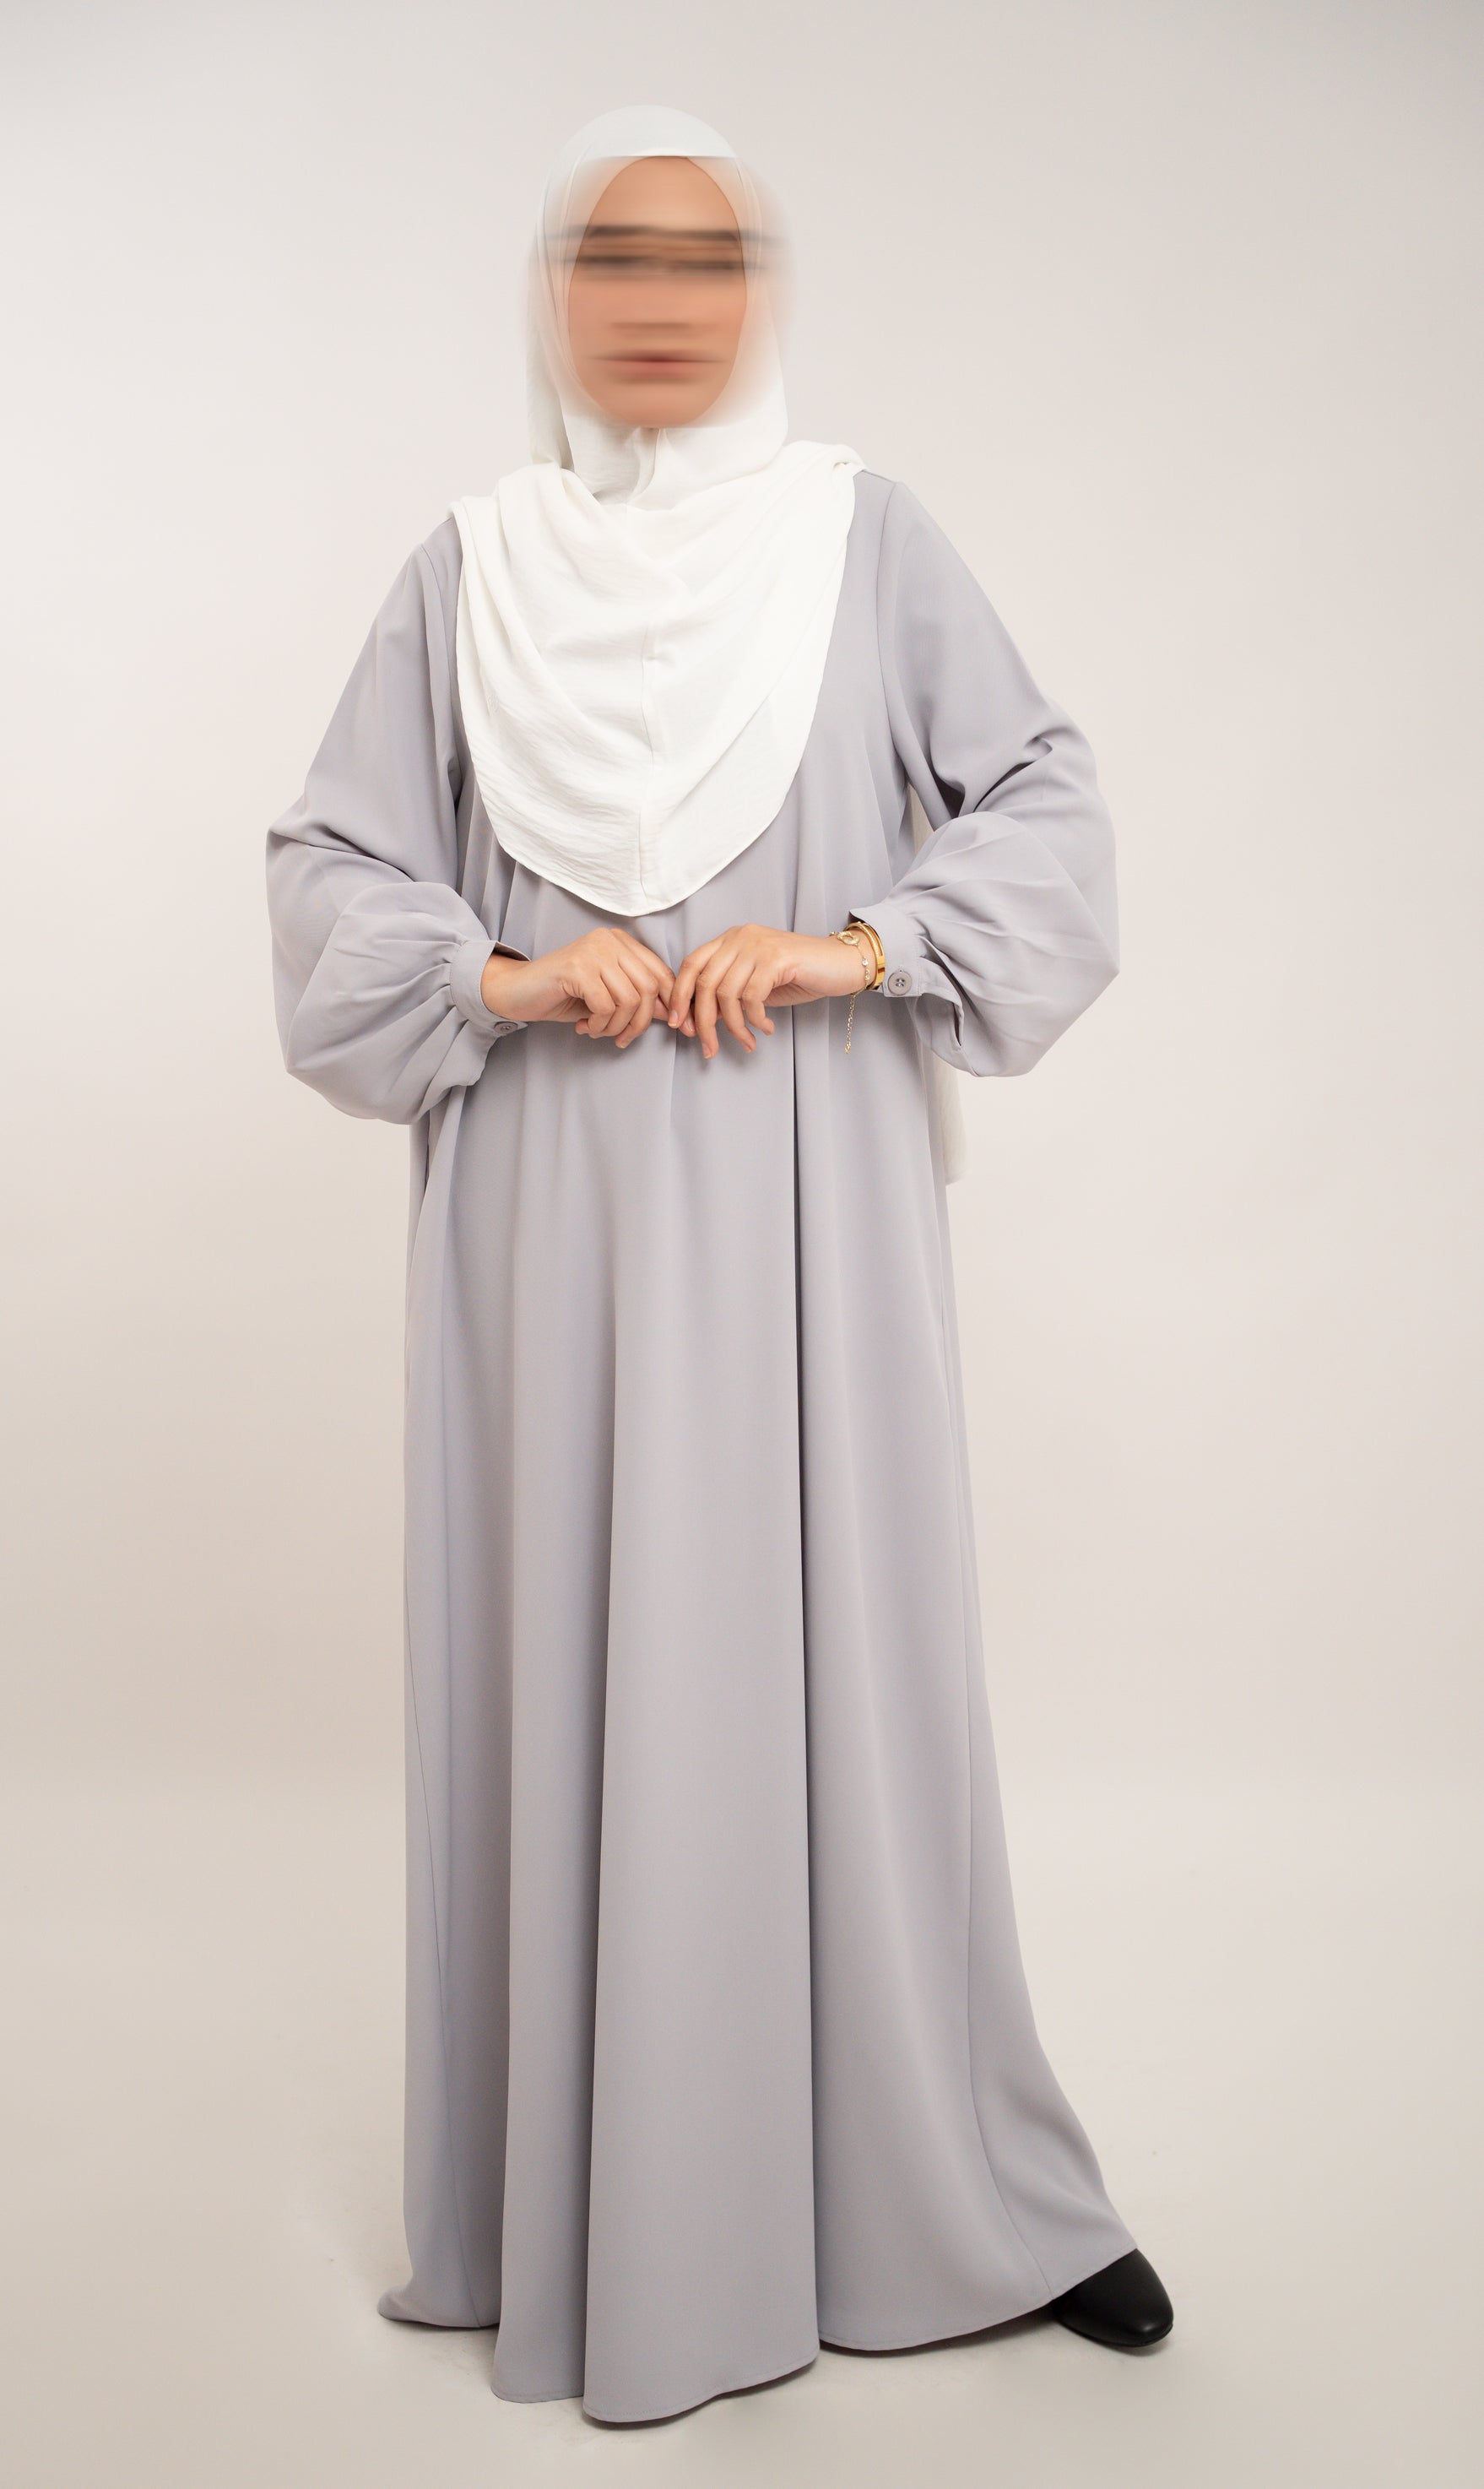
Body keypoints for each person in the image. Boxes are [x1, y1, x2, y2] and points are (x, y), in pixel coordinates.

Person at [265, 102, 1173, 2427]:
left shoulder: (866, 540)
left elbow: (1048, 806)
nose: (659, 302)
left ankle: (950, 2192)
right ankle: (605, 2212)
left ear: (760, 298)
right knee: (576, 1660)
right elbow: (335, 872)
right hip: (547, 1223)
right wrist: (504, 979)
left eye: (707, 258)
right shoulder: (470, 572)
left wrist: (858, 943)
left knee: (847, 1662)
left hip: (808, 1205)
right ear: (551, 301)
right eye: (613, 257)